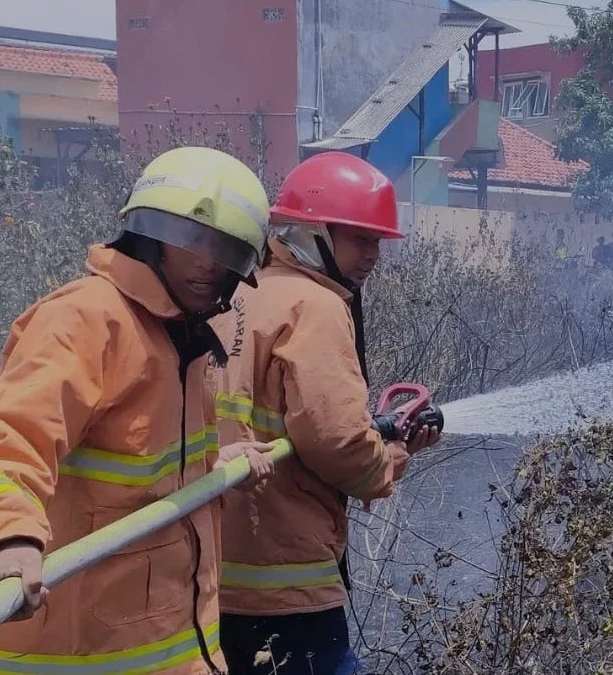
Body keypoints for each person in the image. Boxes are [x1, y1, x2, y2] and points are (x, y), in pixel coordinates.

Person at [0, 146, 277, 675]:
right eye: (190, 240)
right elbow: (3, 448)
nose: (208, 264)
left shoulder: (180, 340)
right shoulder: (84, 320)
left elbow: (136, 476)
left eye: (226, 251)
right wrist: (5, 541)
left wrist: (214, 466)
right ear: (146, 236)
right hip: (70, 659)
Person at [209, 151, 441, 675]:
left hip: (216, 579)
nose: (373, 254)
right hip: (288, 583)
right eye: (360, 238)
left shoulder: (240, 295)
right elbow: (334, 439)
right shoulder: (315, 306)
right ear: (313, 232)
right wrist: (390, 460)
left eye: (378, 241)